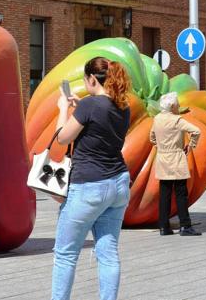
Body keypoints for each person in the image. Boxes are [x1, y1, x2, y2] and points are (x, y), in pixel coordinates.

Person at [51, 57, 132, 300]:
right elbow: (99, 127)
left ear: (91, 79)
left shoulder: (89, 105)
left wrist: (64, 109)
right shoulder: (123, 107)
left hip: (89, 186)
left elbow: (62, 138)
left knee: (65, 254)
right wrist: (80, 110)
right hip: (118, 183)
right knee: (108, 254)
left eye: (86, 80)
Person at [149, 92, 202, 236]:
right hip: (177, 158)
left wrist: (160, 147)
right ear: (172, 106)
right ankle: (185, 226)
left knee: (164, 194)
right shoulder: (177, 120)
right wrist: (190, 145)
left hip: (163, 159)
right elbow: (196, 131)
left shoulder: (157, 119)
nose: (178, 106)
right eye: (177, 104)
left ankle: (164, 227)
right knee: (181, 193)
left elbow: (152, 137)